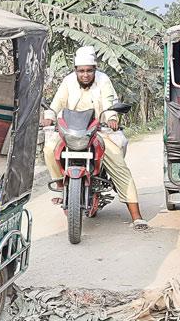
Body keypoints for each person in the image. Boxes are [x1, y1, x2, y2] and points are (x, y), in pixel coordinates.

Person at [43, 46, 148, 230]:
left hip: (98, 131)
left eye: (89, 71)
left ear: (95, 69)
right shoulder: (68, 82)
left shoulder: (103, 80)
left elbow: (109, 102)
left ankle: (136, 216)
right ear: (75, 70)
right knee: (50, 148)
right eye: (81, 71)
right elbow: (56, 103)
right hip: (70, 131)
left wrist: (112, 118)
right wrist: (49, 118)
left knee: (117, 161)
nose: (85, 75)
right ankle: (60, 186)